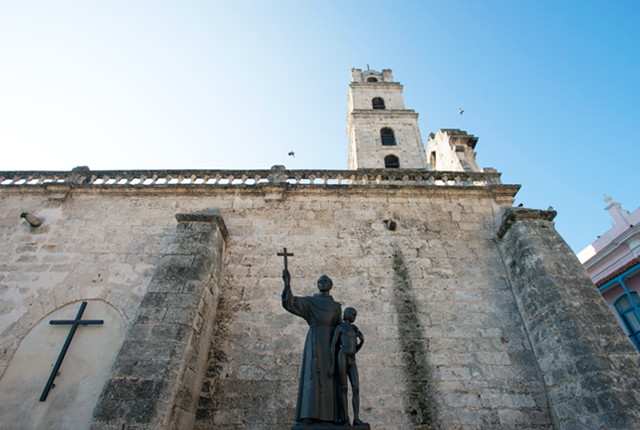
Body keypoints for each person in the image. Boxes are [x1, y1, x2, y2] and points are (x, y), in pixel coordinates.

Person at [282, 270, 344, 425]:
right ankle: (309, 415)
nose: (323, 283)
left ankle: (333, 417)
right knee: (312, 377)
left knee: (331, 378)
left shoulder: (336, 307)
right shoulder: (309, 302)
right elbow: (290, 302)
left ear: (331, 285)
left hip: (331, 344)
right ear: (317, 285)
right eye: (320, 282)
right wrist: (287, 283)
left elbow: (339, 327)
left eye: (326, 281)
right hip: (315, 341)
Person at [329, 307, 367, 427]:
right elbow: (333, 345)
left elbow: (357, 346)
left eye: (355, 315)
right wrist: (332, 364)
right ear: (347, 315)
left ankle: (356, 417)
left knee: (356, 387)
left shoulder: (354, 328)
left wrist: (361, 342)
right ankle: (345, 418)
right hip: (342, 356)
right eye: (352, 315)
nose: (354, 317)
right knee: (344, 387)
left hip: (352, 359)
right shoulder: (340, 327)